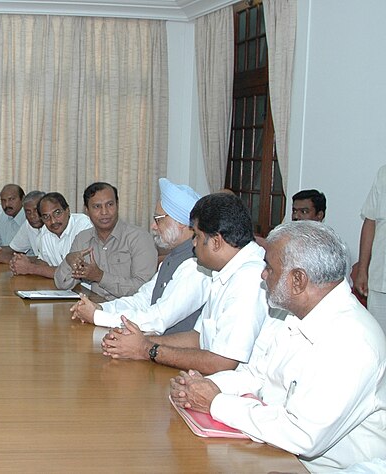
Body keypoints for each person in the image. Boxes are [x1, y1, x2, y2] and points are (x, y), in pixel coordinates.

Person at [170, 221, 386, 471]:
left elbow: (301, 435)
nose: (263, 275)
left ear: (298, 280)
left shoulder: (352, 342)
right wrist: (203, 387)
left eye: (270, 268)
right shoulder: (296, 315)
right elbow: (258, 375)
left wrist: (215, 402)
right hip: (277, 451)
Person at [101, 193, 268, 375]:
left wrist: (147, 350)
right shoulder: (226, 271)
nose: (193, 244)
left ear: (217, 242)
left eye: (196, 236)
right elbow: (197, 338)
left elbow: (222, 362)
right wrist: (138, 341)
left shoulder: (249, 278)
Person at [70, 178, 210, 335]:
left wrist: (98, 317)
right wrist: (101, 308)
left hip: (175, 352)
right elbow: (142, 300)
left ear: (181, 223)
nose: (153, 226)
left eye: (158, 219)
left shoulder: (196, 267)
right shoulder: (171, 259)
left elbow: (158, 319)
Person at [55, 182, 157, 299]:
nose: (104, 212)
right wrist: (69, 260)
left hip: (129, 312)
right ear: (87, 210)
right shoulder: (82, 239)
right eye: (97, 206)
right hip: (95, 308)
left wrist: (100, 277)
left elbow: (144, 289)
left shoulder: (139, 238)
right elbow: (62, 284)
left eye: (110, 204)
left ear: (117, 205)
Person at [9, 192, 92, 279]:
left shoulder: (83, 226)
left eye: (57, 213)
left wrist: (31, 268)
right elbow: (44, 262)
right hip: (61, 288)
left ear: (67, 210)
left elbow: (74, 272)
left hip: (87, 288)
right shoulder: (45, 231)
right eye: (46, 217)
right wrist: (21, 262)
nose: (53, 221)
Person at [356, 164, 386, 334]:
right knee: (379, 340)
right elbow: (370, 222)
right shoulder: (383, 173)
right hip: (379, 280)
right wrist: (362, 270)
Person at [0, 190, 45, 263]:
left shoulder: (52, 228)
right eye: (28, 212)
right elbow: (14, 248)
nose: (32, 216)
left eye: (36, 210)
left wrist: (12, 259)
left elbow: (47, 261)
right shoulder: (28, 224)